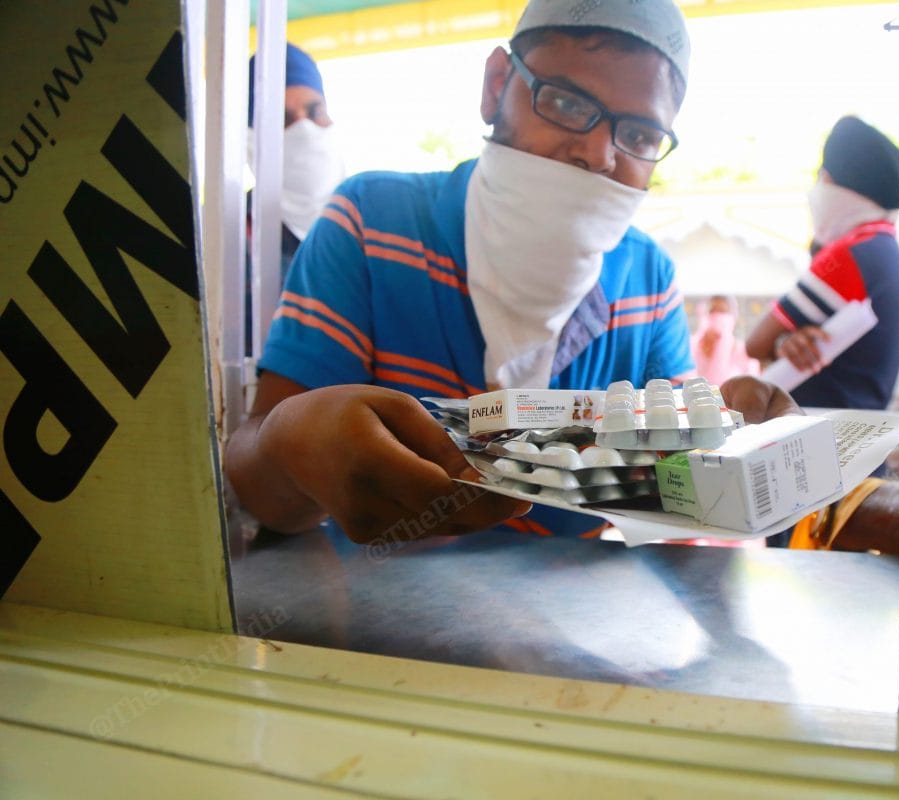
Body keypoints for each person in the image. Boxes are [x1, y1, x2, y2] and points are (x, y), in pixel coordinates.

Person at [226, 0, 703, 544]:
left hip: (578, 598)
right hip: (379, 596)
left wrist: (740, 449)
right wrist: (290, 445)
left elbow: (677, 488)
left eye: (639, 136)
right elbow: (257, 486)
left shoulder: (649, 281)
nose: (597, 154)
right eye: (567, 103)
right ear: (496, 85)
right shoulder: (371, 227)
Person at [746, 116, 899, 411]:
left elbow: (755, 343)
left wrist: (779, 341)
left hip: (827, 432)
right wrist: (787, 342)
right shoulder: (885, 248)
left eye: (823, 177)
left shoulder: (852, 254)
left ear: (840, 186)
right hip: (860, 427)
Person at [247, 42, 346, 278]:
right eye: (282, 119)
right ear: (250, 139)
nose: (305, 129)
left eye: (315, 113)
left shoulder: (376, 220)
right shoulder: (226, 235)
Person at [689, 295, 759, 385]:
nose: (717, 316)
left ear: (733, 317)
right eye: (712, 311)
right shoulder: (691, 346)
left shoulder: (744, 351)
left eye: (722, 311)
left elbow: (752, 382)